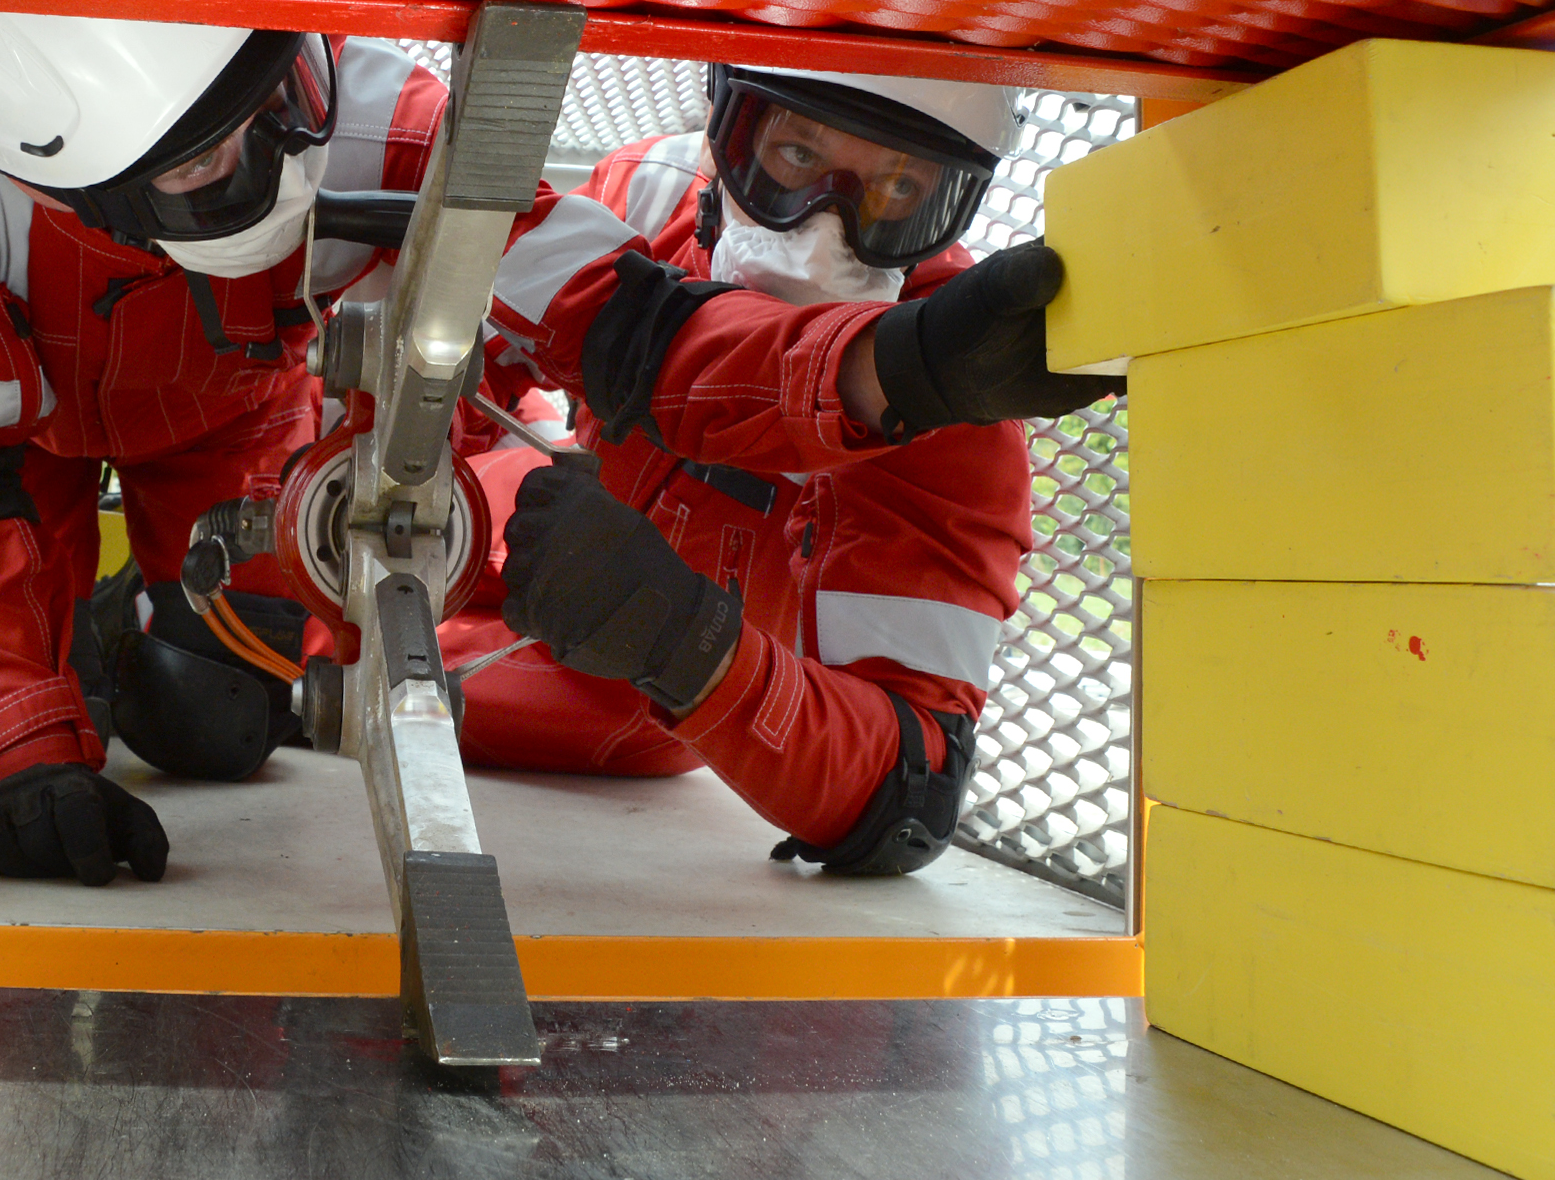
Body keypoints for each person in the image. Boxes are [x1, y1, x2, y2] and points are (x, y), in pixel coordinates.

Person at [449, 62, 1113, 872]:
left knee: (409, 685)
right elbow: (466, 342)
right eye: (798, 153)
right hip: (539, 499)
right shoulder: (650, 193)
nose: (821, 239)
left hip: (620, 680)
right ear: (725, 133)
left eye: (897, 188)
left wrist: (677, 639)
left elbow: (907, 785)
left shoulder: (955, 411)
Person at [0, 8, 448, 887]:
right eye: (202, 159)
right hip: (17, 442)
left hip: (228, 414)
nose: (282, 161)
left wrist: (638, 345)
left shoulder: (375, 114)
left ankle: (110, 621)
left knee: (223, 718)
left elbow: (562, 265)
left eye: (277, 99)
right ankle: (18, 651)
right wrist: (22, 751)